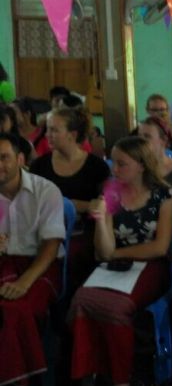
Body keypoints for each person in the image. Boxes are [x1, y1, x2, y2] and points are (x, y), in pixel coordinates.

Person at [68, 136, 172, 385]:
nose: (114, 169)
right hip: (115, 265)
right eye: (113, 163)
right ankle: (94, 367)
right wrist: (102, 217)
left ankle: (122, 373)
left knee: (117, 307)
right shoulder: (111, 191)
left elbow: (160, 247)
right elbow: (103, 251)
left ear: (141, 165)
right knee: (83, 299)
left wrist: (116, 254)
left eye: (121, 164)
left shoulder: (164, 195)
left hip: (151, 265)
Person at [0, 133, 65, 386]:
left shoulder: (45, 191)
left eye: (4, 158)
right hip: (4, 262)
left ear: (20, 159)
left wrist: (25, 281)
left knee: (15, 311)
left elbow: (52, 244)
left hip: (41, 265)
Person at [30, 107, 110, 286]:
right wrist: (75, 204)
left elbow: (104, 206)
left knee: (76, 255)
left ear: (72, 135)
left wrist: (76, 206)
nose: (47, 135)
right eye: (47, 129)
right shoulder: (39, 166)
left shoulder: (96, 167)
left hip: (85, 233)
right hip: (46, 232)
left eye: (54, 130)